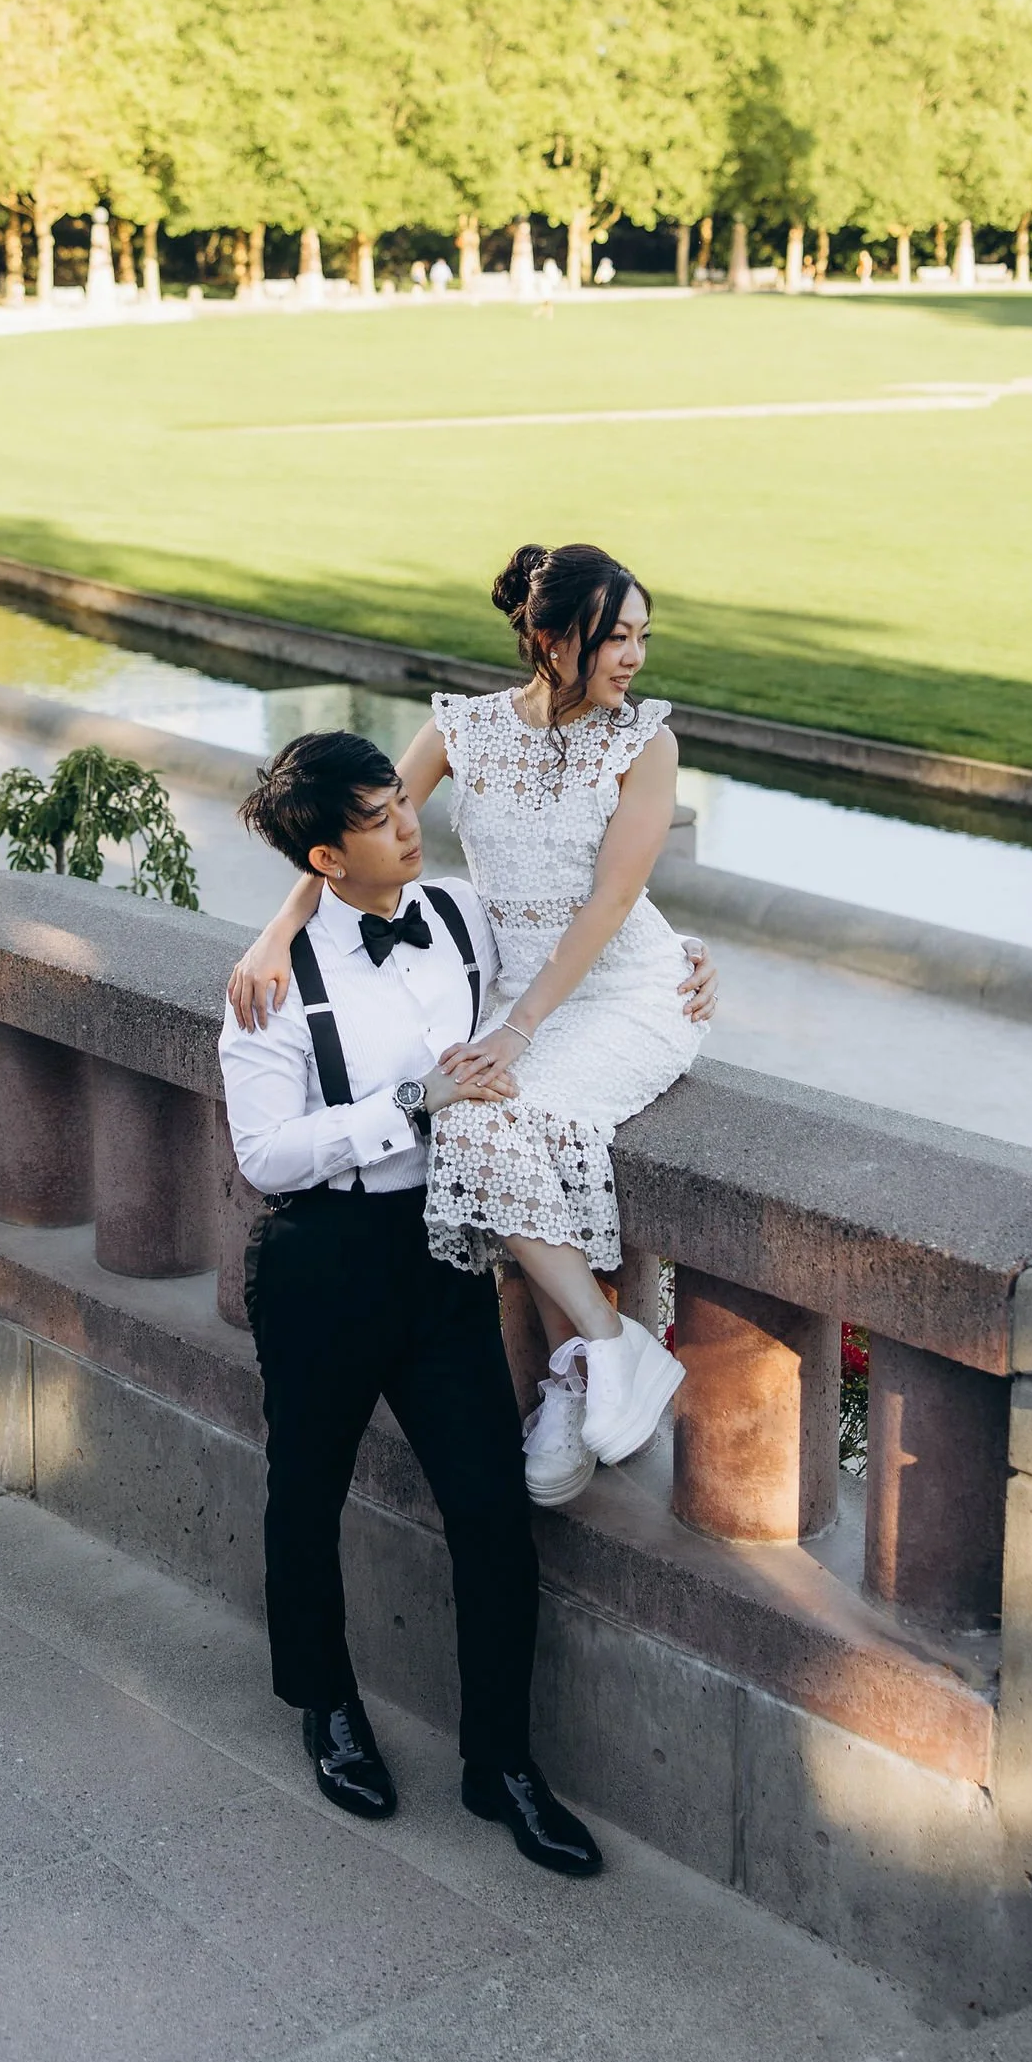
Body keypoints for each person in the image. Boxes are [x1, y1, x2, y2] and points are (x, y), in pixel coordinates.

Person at [230, 543, 712, 1513]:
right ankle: (597, 1357)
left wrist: (524, 1029)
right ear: (546, 637)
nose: (632, 658)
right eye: (611, 636)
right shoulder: (461, 727)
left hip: (620, 996)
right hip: (514, 997)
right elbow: (349, 829)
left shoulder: (645, 741)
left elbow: (614, 901)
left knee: (484, 1116)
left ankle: (597, 1357)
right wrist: (273, 938)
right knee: (481, 1117)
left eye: (640, 637)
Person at [218, 730, 603, 1873]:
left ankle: (501, 1764)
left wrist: (687, 976)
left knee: (490, 1512)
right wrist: (409, 1102)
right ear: (326, 860)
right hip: (322, 1257)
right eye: (382, 817)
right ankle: (324, 1706)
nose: (409, 824)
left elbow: (586, 955)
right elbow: (263, 1154)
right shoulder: (268, 981)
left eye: (402, 802)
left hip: (440, 1259)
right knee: (307, 1494)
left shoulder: (458, 916)